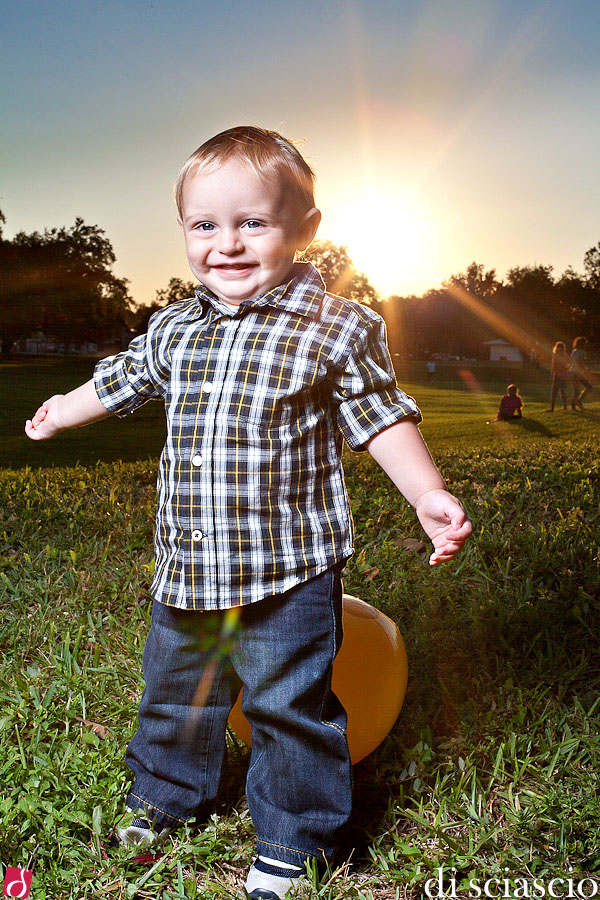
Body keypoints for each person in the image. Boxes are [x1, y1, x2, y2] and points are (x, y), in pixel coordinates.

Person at [25, 126, 472, 900]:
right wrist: (63, 411)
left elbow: (381, 417)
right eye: (205, 225)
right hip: (189, 565)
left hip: (287, 568)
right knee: (176, 692)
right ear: (184, 233)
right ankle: (166, 796)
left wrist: (428, 494)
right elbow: (122, 380)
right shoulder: (175, 327)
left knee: (287, 705)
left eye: (252, 223)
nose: (226, 245)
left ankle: (296, 840)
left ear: (305, 230)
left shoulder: (338, 327)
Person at [570, 336, 593, 410]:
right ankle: (579, 400)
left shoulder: (574, 352)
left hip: (572, 372)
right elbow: (580, 362)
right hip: (578, 373)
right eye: (584, 343)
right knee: (589, 387)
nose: (585, 345)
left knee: (576, 391)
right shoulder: (582, 352)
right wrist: (586, 370)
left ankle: (573, 406)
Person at [548, 341, 570, 411]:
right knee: (562, 392)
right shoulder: (565, 355)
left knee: (555, 393)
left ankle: (552, 408)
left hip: (559, 376)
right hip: (562, 376)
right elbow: (569, 365)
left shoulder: (556, 355)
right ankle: (564, 407)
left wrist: (552, 374)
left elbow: (553, 366)